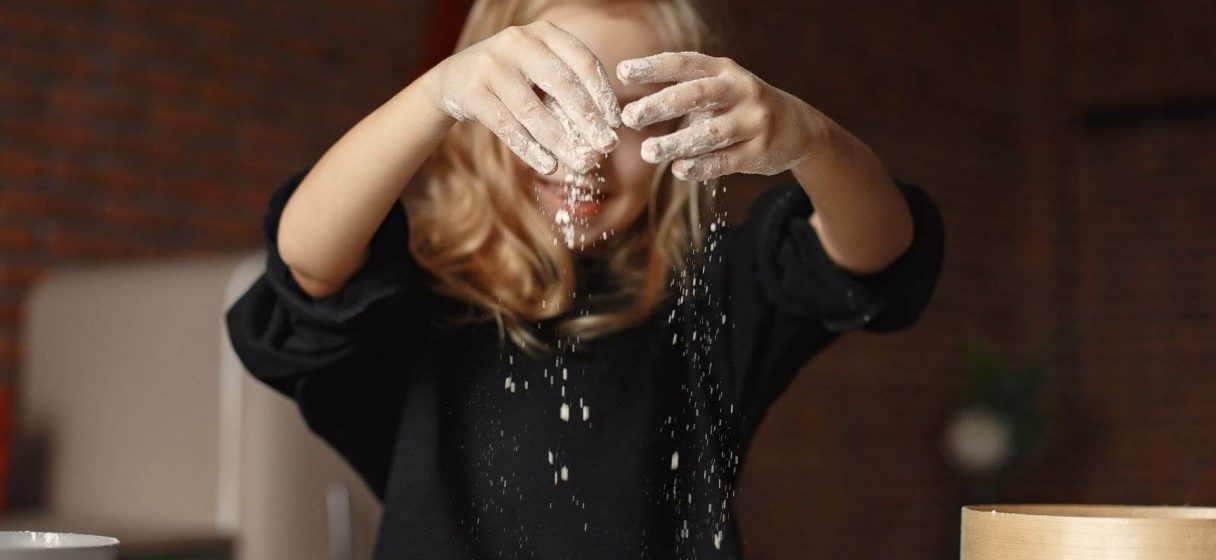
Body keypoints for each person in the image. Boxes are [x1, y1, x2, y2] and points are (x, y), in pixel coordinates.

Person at [225, 0, 944, 558]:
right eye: (545, 100)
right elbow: (308, 264)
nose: (585, 152)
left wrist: (810, 139)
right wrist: (436, 94)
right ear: (484, 112)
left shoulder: (712, 291)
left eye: (633, 118)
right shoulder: (418, 296)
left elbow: (877, 255)